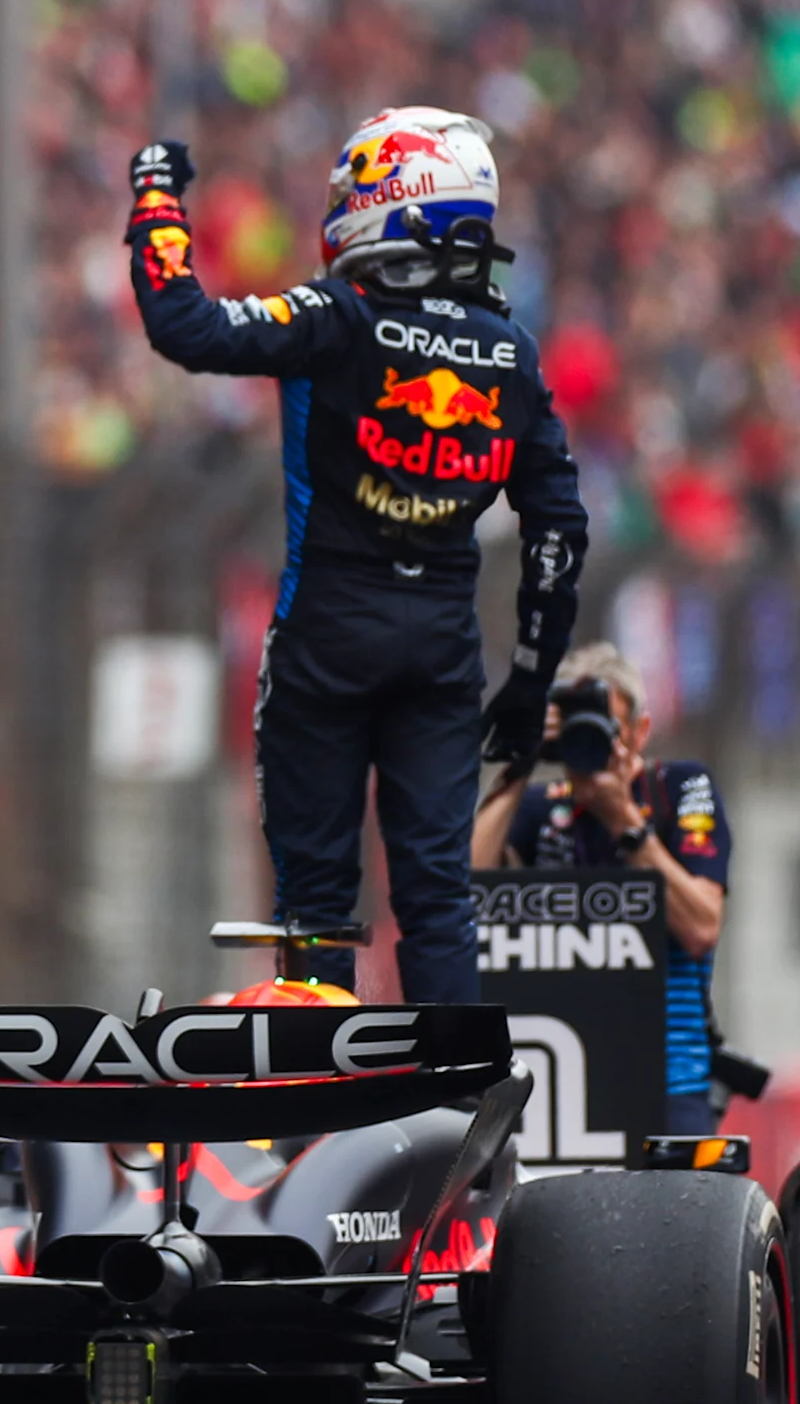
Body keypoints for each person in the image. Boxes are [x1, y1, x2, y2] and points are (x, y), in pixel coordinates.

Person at [126, 113, 589, 1004]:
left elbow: (182, 325)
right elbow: (560, 529)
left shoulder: (336, 315)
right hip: (445, 654)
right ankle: (455, 1125)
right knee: (438, 901)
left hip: (326, 639)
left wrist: (156, 197)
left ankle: (314, 1120)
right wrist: (530, 681)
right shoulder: (512, 354)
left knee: (315, 903)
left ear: (392, 202)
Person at [470, 640, 733, 1135]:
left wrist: (623, 820)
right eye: (572, 727)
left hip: (667, 1082)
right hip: (554, 1088)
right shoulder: (539, 807)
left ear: (640, 730)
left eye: (602, 725)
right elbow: (464, 894)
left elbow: (701, 926)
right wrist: (520, 761)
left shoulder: (679, 789)